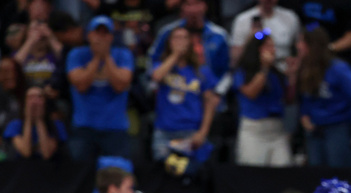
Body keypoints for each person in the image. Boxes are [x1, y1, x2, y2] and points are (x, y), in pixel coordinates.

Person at [65, 16, 133, 162]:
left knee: (117, 173)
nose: (101, 38)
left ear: (111, 37)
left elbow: (120, 85)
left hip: (115, 127)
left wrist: (106, 57)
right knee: (80, 176)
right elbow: (81, 85)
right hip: (84, 126)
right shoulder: (76, 54)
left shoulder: (123, 55)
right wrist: (96, 58)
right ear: (89, 35)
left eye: (105, 34)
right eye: (97, 33)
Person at [297, 27, 351, 168]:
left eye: (301, 42)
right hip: (315, 129)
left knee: (337, 173)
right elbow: (306, 96)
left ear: (312, 45)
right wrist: (304, 115)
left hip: (337, 128)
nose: (297, 46)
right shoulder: (305, 68)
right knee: (316, 174)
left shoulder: (338, 68)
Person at [149, 25, 220, 162]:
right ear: (170, 42)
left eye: (184, 38)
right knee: (163, 175)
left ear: (190, 42)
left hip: (191, 132)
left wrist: (203, 133)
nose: (180, 41)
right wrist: (175, 54)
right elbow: (156, 77)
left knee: (189, 175)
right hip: (164, 131)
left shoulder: (201, 71)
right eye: (176, 38)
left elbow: (210, 103)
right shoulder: (161, 65)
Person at [234, 32, 292, 167]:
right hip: (254, 129)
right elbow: (251, 93)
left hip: (277, 129)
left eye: (273, 46)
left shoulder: (276, 73)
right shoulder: (242, 71)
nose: (272, 50)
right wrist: (264, 68)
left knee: (284, 169)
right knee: (254, 171)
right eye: (267, 46)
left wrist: (292, 76)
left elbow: (289, 99)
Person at [148, 0, 231, 87]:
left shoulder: (219, 35)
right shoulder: (168, 32)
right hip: (172, 87)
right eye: (188, 4)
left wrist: (218, 92)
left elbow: (228, 68)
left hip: (209, 88)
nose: (193, 9)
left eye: (197, 3)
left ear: (206, 6)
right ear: (181, 7)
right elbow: (153, 61)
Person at [230, 0, 301, 68]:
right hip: (254, 69)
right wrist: (251, 37)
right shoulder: (242, 20)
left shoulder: (290, 17)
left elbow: (300, 47)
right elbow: (235, 59)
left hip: (284, 68)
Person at [2, 85, 64, 159]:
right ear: (24, 103)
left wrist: (39, 121)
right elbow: (26, 152)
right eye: (30, 97)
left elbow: (47, 154)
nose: (34, 101)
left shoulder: (57, 124)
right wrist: (28, 119)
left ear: (45, 102)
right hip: (21, 167)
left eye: (39, 97)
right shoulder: (14, 125)